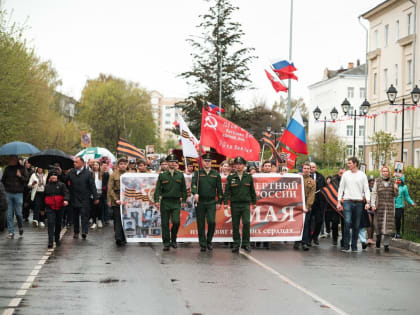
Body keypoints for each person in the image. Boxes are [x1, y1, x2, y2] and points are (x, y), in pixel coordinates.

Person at [154, 154, 187, 251]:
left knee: (176, 222)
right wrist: (156, 200)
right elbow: (158, 189)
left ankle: (173, 239)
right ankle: (166, 243)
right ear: (167, 163)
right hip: (165, 202)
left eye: (174, 162)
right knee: (165, 223)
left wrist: (184, 200)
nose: (172, 163)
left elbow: (183, 189)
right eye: (170, 162)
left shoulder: (180, 175)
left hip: (176, 202)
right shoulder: (162, 175)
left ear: (176, 163)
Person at [337, 157, 370, 252]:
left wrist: (368, 202)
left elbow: (366, 189)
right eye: (348, 163)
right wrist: (339, 202)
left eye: (350, 163)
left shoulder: (362, 175)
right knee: (347, 222)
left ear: (355, 164)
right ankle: (346, 245)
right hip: (347, 201)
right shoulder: (345, 174)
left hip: (359, 202)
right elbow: (341, 188)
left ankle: (354, 246)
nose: (348, 165)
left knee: (357, 225)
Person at [224, 156, 256, 253]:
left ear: (244, 165)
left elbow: (252, 191)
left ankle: (246, 243)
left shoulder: (248, 177)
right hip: (235, 204)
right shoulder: (231, 177)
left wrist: (254, 202)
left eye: (240, 164)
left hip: (246, 204)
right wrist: (225, 203)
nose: (238, 166)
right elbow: (227, 192)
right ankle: (236, 244)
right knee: (235, 225)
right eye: (236, 164)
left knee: (246, 223)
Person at [192, 152, 223, 252]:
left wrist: (219, 201)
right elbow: (193, 185)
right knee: (200, 224)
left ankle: (209, 240)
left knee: (211, 222)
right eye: (205, 161)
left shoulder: (215, 174)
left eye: (209, 161)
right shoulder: (197, 173)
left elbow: (219, 189)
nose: (207, 163)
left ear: (211, 163)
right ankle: (203, 244)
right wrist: (194, 193)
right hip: (200, 202)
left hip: (211, 202)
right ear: (202, 162)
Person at [68, 156, 98, 240]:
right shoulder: (71, 172)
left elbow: (92, 186)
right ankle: (76, 232)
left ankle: (84, 231)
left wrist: (95, 197)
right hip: (74, 197)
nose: (74, 163)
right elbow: (65, 180)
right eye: (74, 162)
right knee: (75, 216)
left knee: (84, 216)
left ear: (82, 163)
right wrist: (60, 173)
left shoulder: (88, 173)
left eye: (76, 162)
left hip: (85, 199)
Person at [371, 166, 399, 252]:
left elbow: (396, 195)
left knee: (388, 226)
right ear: (381, 172)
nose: (385, 173)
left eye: (386, 171)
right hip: (380, 206)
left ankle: (386, 244)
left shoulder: (393, 181)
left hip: (390, 207)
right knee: (378, 224)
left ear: (389, 172)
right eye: (383, 171)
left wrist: (396, 188)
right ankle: (378, 240)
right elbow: (374, 193)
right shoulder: (377, 181)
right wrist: (372, 204)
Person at [2, 155, 28, 239]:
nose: (10, 160)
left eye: (11, 159)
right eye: (9, 159)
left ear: (16, 160)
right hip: (8, 193)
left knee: (19, 214)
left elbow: (26, 180)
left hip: (18, 193)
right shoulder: (7, 169)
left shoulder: (22, 168)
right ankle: (11, 232)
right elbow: (2, 180)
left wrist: (20, 176)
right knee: (9, 214)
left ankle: (20, 227)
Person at [44, 170, 69, 248]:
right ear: (50, 177)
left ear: (57, 177)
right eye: (52, 176)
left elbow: (66, 193)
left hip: (60, 207)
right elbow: (43, 197)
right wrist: (42, 209)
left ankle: (57, 238)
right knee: (51, 223)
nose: (54, 177)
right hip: (50, 207)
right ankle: (50, 241)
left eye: (55, 176)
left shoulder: (62, 185)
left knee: (58, 223)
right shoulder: (47, 186)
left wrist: (66, 200)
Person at [294, 162, 316, 251]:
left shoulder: (312, 181)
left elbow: (311, 195)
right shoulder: (297, 178)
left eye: (308, 168)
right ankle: (296, 241)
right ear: (302, 169)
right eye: (305, 168)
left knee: (306, 225)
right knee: (296, 224)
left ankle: (304, 243)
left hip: (306, 206)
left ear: (310, 170)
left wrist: (307, 206)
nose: (306, 170)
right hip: (297, 205)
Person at [107, 157, 128, 246]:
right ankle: (118, 238)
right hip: (117, 198)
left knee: (126, 219)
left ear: (126, 165)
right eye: (121, 164)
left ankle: (125, 237)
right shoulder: (113, 175)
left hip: (127, 199)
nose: (123, 165)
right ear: (118, 165)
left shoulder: (129, 174)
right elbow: (110, 189)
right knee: (118, 219)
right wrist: (115, 199)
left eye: (124, 164)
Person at [325, 169, 344, 245]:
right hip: (335, 205)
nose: (341, 175)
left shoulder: (348, 179)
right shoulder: (333, 180)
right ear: (338, 173)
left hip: (345, 204)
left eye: (343, 173)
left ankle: (344, 239)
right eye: (340, 173)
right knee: (335, 222)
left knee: (344, 223)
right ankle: (335, 238)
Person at [309, 162, 326, 246]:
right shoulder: (305, 176)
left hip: (319, 202)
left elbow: (325, 189)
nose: (312, 168)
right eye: (310, 167)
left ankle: (315, 236)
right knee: (308, 220)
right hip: (309, 202)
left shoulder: (321, 177)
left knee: (319, 221)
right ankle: (308, 238)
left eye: (313, 167)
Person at [90, 161, 103, 229]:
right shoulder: (91, 174)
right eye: (94, 165)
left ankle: (100, 220)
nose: (95, 166)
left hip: (100, 193)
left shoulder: (103, 174)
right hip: (93, 193)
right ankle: (94, 222)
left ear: (99, 166)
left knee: (100, 208)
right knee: (93, 208)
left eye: (97, 165)